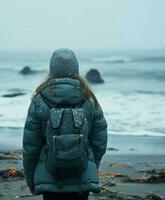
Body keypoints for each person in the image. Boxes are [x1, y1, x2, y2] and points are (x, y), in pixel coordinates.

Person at [22, 48, 108, 200]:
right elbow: (99, 142)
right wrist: (91, 165)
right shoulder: (89, 99)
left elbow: (30, 148)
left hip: (49, 179)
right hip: (82, 177)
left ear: (51, 70)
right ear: (76, 69)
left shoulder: (39, 100)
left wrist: (31, 180)